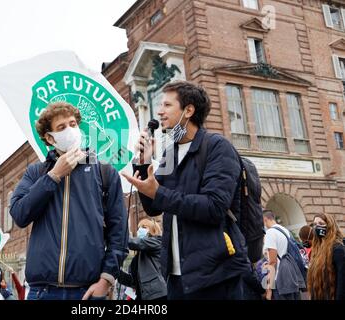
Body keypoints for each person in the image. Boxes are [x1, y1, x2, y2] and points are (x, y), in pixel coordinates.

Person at [122, 80, 250, 300]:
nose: (159, 112)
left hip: (215, 277)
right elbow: (153, 207)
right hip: (176, 279)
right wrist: (143, 164)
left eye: (167, 105)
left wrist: (158, 192)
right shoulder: (170, 152)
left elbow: (213, 207)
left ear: (189, 110)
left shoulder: (217, 147)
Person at [10, 102, 128, 300]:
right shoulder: (36, 172)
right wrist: (53, 176)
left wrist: (106, 280)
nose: (70, 130)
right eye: (62, 127)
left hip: (88, 291)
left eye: (73, 124)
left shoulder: (105, 172)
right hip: (42, 292)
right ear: (50, 138)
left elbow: (119, 232)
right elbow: (20, 214)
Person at [117, 218, 167, 300]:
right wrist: (118, 273)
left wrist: (116, 237)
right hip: (144, 295)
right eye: (139, 227)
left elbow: (137, 243)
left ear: (153, 230)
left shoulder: (157, 242)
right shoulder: (137, 258)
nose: (140, 230)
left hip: (158, 294)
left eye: (144, 227)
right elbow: (133, 282)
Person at [262, 210, 304, 300]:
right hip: (292, 276)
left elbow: (272, 262)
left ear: (265, 219)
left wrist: (268, 288)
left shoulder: (270, 232)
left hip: (280, 280)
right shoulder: (285, 230)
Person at [307, 213, 345, 300]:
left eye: (321, 224)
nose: (317, 227)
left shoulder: (338, 249)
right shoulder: (317, 249)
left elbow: (342, 282)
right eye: (315, 224)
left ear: (329, 226)